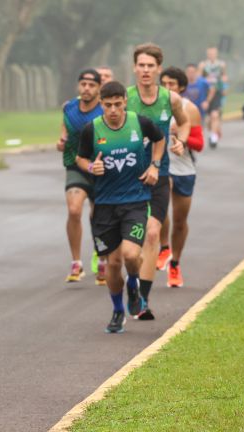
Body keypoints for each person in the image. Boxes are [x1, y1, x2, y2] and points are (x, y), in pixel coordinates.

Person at [76, 81, 165, 333]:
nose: (113, 110)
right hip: (104, 206)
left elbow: (160, 139)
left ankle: (134, 285)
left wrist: (154, 166)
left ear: (125, 101)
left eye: (117, 104)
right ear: (101, 104)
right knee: (113, 264)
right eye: (108, 105)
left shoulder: (140, 123)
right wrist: (92, 167)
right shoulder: (91, 130)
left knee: (130, 255)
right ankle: (117, 310)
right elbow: (80, 158)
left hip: (135, 201)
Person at [127, 43, 190, 319]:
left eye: (150, 65)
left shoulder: (170, 99)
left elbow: (184, 122)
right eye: (141, 65)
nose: (145, 70)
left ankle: (142, 298)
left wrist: (181, 142)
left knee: (153, 233)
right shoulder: (125, 98)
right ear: (134, 68)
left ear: (158, 69)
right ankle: (132, 280)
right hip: (127, 178)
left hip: (160, 175)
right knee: (128, 247)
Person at [57, 69, 106, 284]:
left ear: (98, 88)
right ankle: (76, 262)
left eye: (91, 84)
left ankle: (102, 259)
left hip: (101, 169)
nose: (86, 88)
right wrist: (61, 142)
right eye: (83, 83)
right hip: (75, 165)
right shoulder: (69, 107)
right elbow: (64, 133)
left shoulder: (104, 109)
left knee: (99, 217)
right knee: (74, 210)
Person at [157, 67, 205, 288]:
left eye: (172, 85)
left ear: (182, 87)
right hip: (161, 168)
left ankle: (175, 263)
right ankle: (163, 247)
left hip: (184, 169)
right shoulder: (154, 107)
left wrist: (179, 135)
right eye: (164, 84)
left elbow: (199, 144)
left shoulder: (189, 109)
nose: (168, 88)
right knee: (159, 210)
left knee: (179, 221)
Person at [199, 47, 227, 149]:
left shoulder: (221, 64)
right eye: (210, 53)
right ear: (207, 54)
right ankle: (213, 131)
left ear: (216, 54)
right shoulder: (203, 65)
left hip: (217, 92)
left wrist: (224, 83)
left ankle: (213, 138)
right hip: (206, 92)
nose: (211, 55)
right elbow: (199, 77)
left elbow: (224, 76)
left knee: (215, 115)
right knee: (208, 120)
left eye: (213, 53)